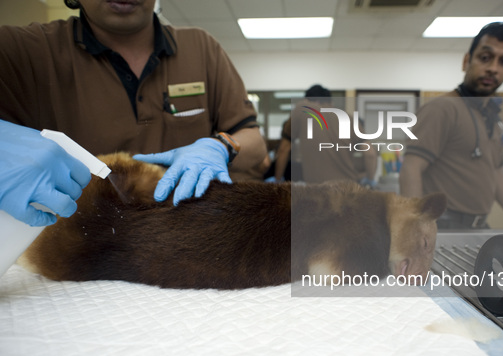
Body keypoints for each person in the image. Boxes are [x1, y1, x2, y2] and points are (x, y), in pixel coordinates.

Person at [0, 0, 267, 226]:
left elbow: (254, 144)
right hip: (73, 245)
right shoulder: (22, 50)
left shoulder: (202, 47)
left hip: (190, 234)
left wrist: (219, 146)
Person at [399, 22, 503, 230]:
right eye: (485, 57)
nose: (493, 68)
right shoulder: (443, 109)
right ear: (466, 61)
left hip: (479, 226)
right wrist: (415, 227)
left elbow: (495, 173)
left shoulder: (492, 118)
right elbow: (411, 168)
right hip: (442, 226)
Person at [274, 84, 377, 185]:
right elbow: (370, 154)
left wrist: (277, 181)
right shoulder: (348, 118)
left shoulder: (302, 109)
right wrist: (370, 179)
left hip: (319, 192)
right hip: (348, 189)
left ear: (307, 100)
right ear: (330, 102)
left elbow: (284, 149)